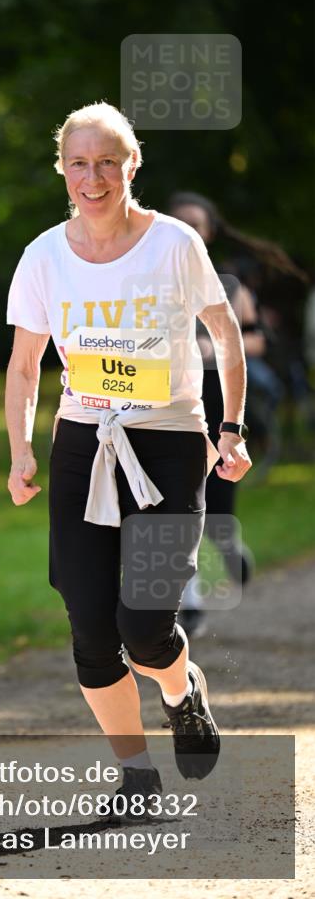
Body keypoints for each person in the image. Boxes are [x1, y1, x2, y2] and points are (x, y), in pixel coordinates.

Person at [5, 103, 251, 810]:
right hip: (83, 443)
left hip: (170, 443)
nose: (93, 176)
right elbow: (25, 366)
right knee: (89, 627)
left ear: (131, 166)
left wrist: (228, 429)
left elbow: (225, 336)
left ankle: (180, 690)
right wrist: (20, 449)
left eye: (107, 161)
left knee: (143, 624)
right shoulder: (43, 255)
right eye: (78, 162)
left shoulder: (173, 243)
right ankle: (134, 778)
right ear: (62, 169)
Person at [166, 192, 263, 637]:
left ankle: (229, 548)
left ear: (209, 232)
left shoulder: (229, 283)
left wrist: (213, 349)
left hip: (221, 402)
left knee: (216, 508)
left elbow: (256, 341)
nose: (189, 231)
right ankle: (190, 603)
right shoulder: (152, 279)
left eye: (197, 224)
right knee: (179, 506)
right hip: (173, 406)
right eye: (179, 222)